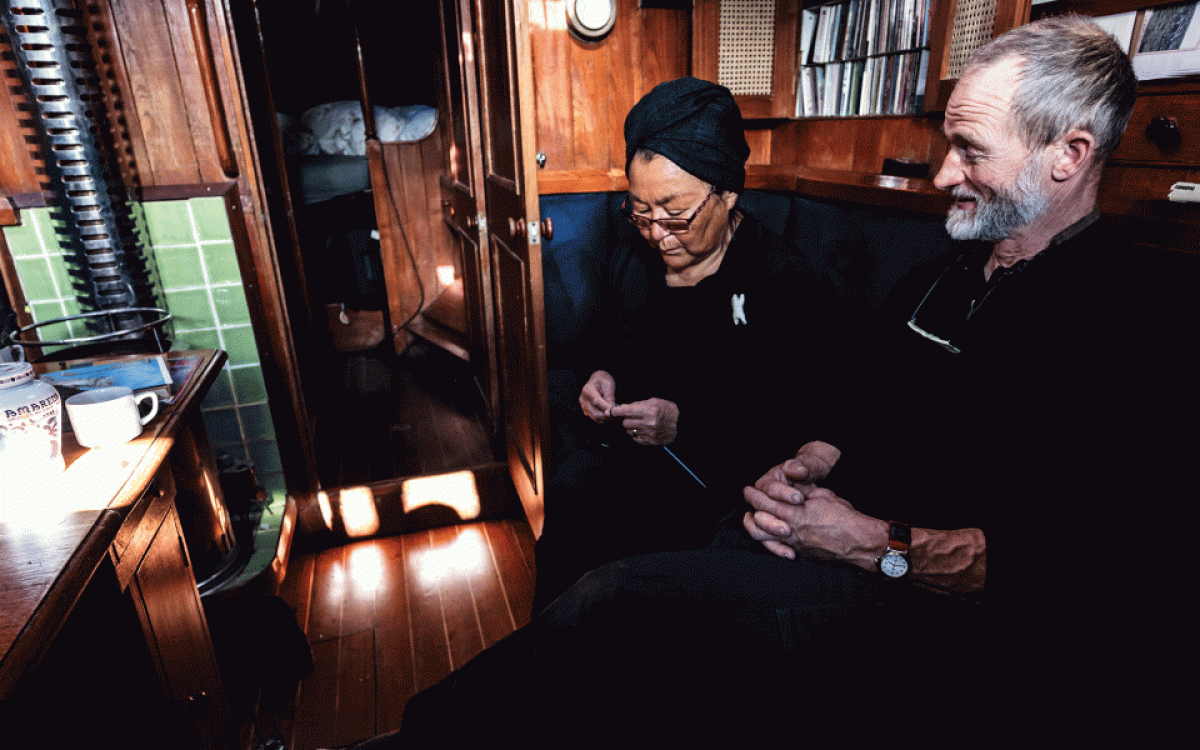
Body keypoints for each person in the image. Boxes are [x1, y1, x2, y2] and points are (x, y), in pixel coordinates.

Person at [356, 16, 1194, 745]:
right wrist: (813, 464)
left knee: (616, 602)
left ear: (1069, 156)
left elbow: (1067, 572)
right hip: (813, 533)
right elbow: (858, 408)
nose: (940, 174)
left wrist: (867, 543)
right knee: (613, 587)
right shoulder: (940, 280)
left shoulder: (1126, 327)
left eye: (971, 149)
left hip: (905, 604)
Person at [534, 77, 840, 611]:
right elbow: (605, 341)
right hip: (629, 456)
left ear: (726, 193)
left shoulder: (780, 277)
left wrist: (685, 422)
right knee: (572, 500)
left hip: (717, 473)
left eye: (675, 212)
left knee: (637, 574)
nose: (656, 232)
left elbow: (797, 416)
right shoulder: (633, 252)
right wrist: (599, 376)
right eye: (640, 210)